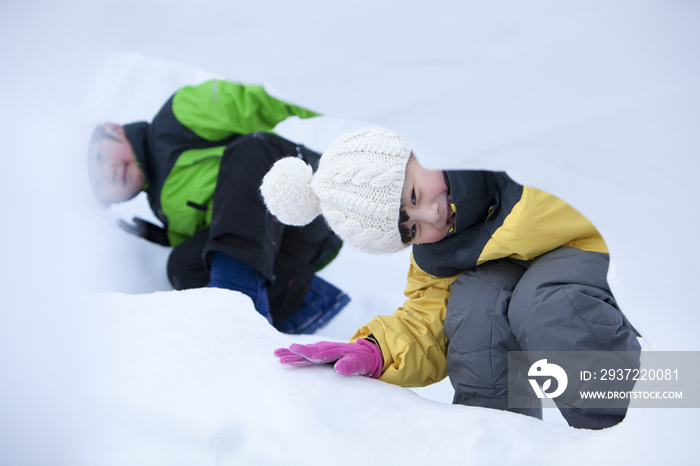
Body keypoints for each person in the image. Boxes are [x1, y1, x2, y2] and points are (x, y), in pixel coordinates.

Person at [261, 128, 641, 429]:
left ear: (419, 150)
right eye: (411, 230)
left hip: (627, 240)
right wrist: (377, 351)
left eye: (413, 195)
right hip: (557, 267)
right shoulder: (444, 252)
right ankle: (505, 445)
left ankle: (661, 425)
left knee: (544, 303)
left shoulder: (498, 143)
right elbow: (427, 317)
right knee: (477, 303)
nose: (431, 215)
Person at [87, 79, 349, 334]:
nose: (107, 173)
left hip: (309, 192)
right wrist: (167, 237)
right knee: (182, 265)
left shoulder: (179, 116)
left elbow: (261, 98)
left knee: (251, 149)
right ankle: (299, 307)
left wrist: (339, 99)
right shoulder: (162, 209)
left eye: (99, 157)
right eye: (99, 185)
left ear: (113, 128)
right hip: (286, 247)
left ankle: (235, 302)